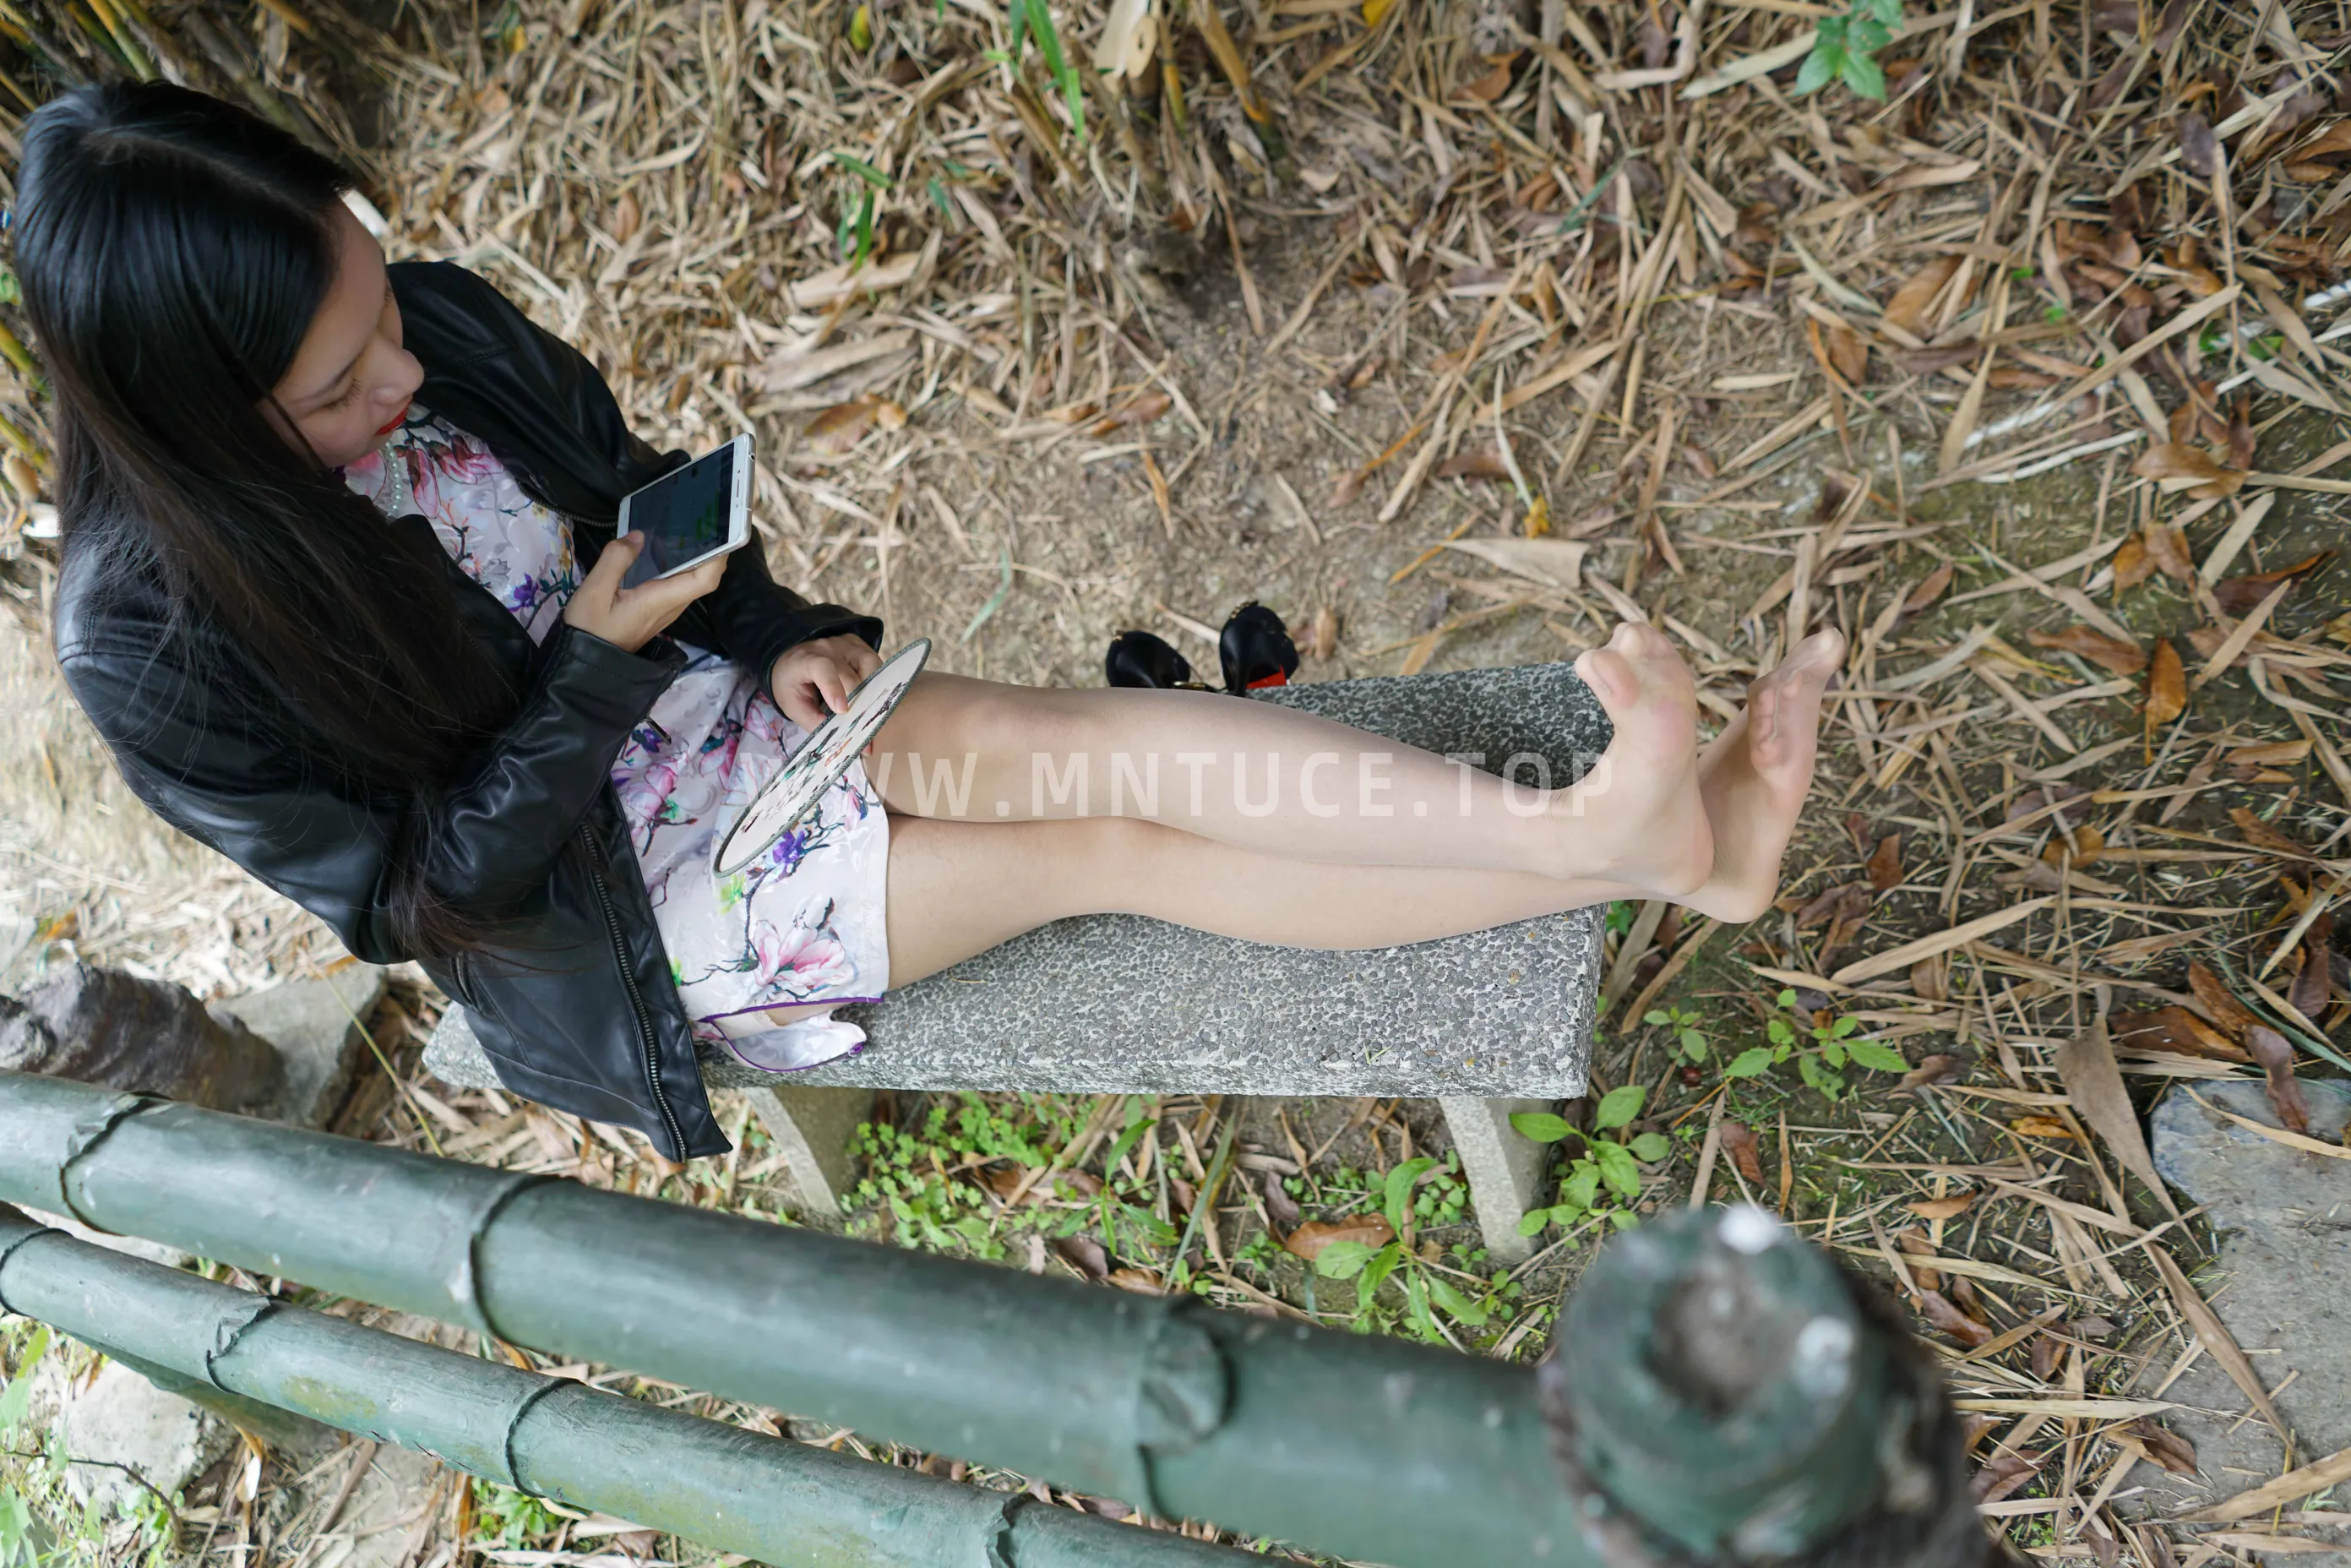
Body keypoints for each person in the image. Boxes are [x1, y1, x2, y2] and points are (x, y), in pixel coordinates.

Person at [21, 82, 1845, 1162]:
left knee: (1084, 738)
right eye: (345, 384)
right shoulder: (153, 645)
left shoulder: (423, 328)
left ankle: (1623, 839)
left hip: (701, 705)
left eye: (382, 303)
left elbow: (645, 501)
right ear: (208, 422)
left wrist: (771, 625)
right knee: (1105, 844)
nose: (407, 368)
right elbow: (427, 901)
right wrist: (591, 657)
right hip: (614, 910)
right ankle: (1643, 853)